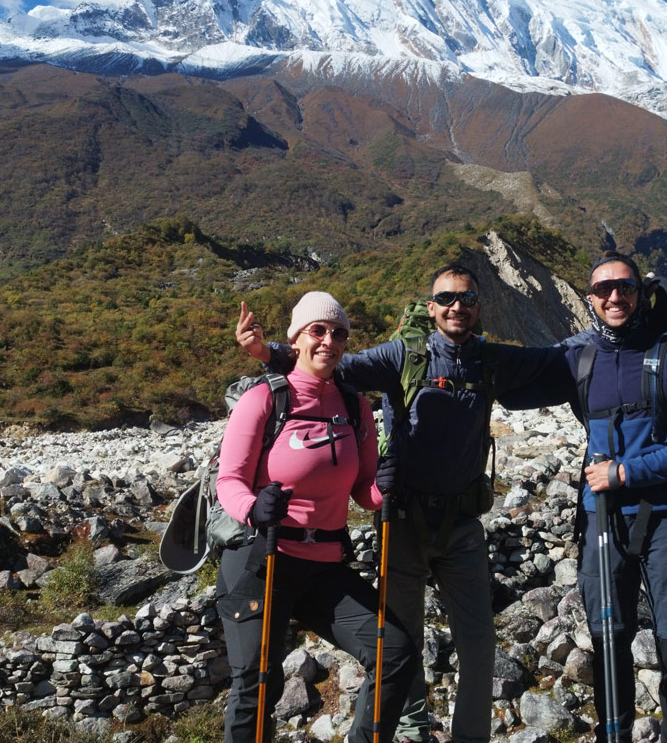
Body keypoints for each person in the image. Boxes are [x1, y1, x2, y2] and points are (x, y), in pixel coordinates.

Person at [237, 266, 566, 743]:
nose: (458, 305)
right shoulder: (403, 354)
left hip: (462, 525)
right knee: (401, 640)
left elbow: (547, 362)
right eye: (447, 298)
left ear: (478, 306)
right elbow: (332, 362)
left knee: (479, 646)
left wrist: (607, 342)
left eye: (468, 297)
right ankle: (409, 730)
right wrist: (268, 353)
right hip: (403, 519)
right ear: (430, 307)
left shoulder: (490, 360)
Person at [216, 291, 415, 743]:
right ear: (297, 338)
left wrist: (382, 487)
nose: (329, 340)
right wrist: (253, 509)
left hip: (322, 562)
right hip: (260, 558)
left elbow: (363, 492)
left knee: (395, 653)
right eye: (318, 330)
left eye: (339, 333)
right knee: (256, 683)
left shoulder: (355, 406)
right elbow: (229, 480)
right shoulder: (264, 400)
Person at [569, 252, 667, 743]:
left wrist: (625, 472)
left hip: (666, 518)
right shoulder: (579, 357)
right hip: (601, 520)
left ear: (640, 291)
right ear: (590, 298)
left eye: (624, 288)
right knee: (608, 646)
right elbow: (504, 376)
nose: (614, 297)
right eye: (603, 290)